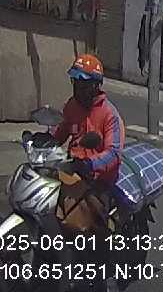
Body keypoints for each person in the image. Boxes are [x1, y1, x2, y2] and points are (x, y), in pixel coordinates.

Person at [53, 54, 125, 235]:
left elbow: (113, 153)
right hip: (72, 169)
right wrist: (42, 141)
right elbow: (59, 131)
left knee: (83, 225)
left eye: (83, 84)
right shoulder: (72, 105)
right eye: (75, 82)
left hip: (98, 178)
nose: (78, 88)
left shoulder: (109, 114)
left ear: (95, 86)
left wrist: (90, 164)